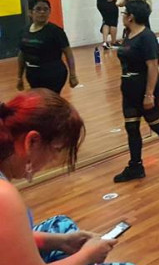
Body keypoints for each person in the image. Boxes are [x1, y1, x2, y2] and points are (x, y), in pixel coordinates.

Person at [0, 89, 131, 265]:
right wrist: (87, 256)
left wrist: (62, 242)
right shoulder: (4, 196)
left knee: (61, 226)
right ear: (32, 141)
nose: (53, 159)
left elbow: (11, 239)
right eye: (56, 150)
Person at [112, 0, 159, 183]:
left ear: (131, 17)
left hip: (145, 88)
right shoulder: (128, 34)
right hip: (129, 89)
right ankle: (135, 166)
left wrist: (149, 94)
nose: (123, 16)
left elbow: (153, 66)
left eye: (124, 13)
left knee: (156, 124)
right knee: (131, 127)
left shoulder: (147, 37)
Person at [17, 0, 79, 95]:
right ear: (30, 12)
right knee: (39, 100)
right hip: (33, 75)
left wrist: (73, 75)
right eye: (38, 9)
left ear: (49, 12)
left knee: (49, 99)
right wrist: (19, 77)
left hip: (53, 74)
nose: (42, 12)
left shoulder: (56, 31)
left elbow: (68, 52)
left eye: (45, 9)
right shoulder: (24, 31)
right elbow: (22, 54)